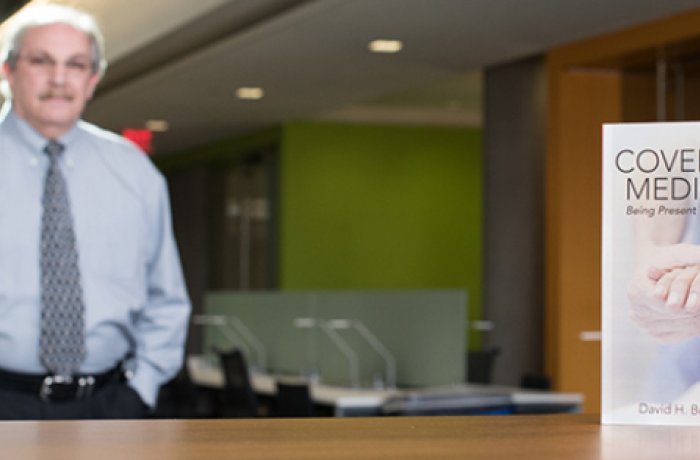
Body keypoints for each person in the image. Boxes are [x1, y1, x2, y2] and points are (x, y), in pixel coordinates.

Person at [0, 4, 191, 419]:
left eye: (76, 64)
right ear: (8, 70)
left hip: (111, 406)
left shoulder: (135, 173)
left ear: (93, 79)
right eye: (41, 61)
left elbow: (167, 299)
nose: (58, 79)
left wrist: (141, 390)